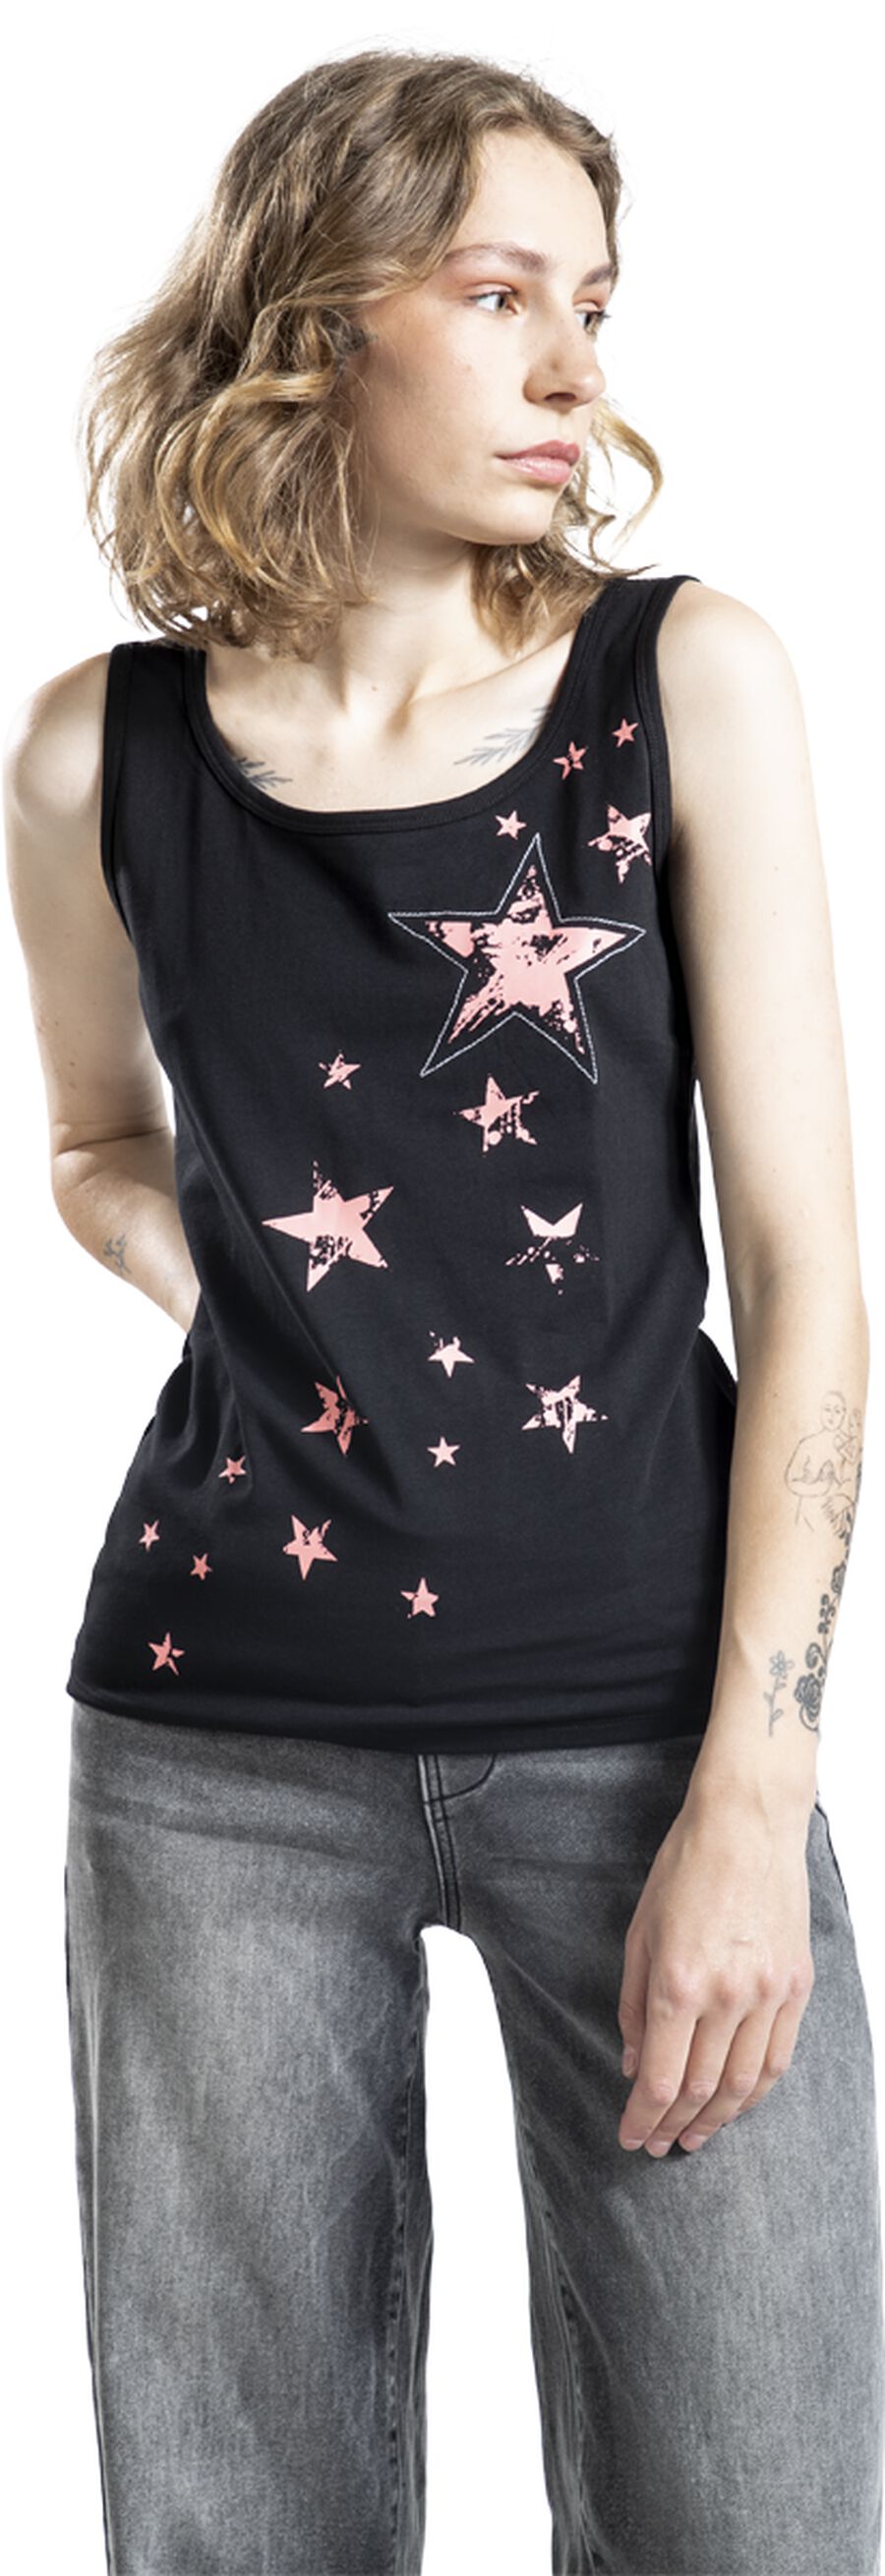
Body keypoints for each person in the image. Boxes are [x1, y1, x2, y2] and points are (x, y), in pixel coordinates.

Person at [4, 43, 882, 2576]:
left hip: (644, 1730)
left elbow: (812, 1275)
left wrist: (753, 1798)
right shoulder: (94, 755)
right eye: (501, 295)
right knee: (237, 2534)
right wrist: (265, 1295)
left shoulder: (685, 683)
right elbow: (94, 1146)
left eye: (593, 304)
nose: (575, 367)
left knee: (753, 2524)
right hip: (214, 1746)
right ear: (314, 319)